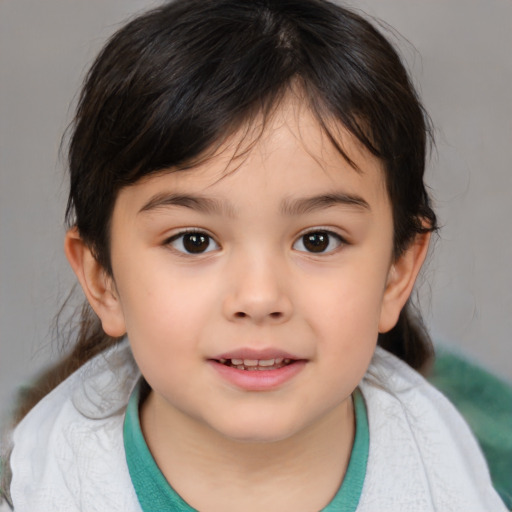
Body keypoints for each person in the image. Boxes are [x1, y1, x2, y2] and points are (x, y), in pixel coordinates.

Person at [0, 0, 507, 510]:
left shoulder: (456, 484)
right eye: (194, 240)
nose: (260, 298)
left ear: (397, 274)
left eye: (318, 240)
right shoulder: (37, 490)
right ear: (102, 278)